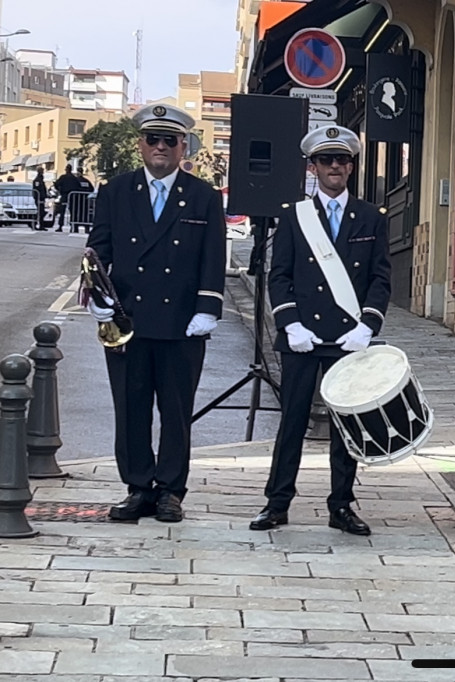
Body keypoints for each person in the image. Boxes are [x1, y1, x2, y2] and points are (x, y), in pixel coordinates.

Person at [85, 103, 226, 523]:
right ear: (140, 145)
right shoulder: (116, 191)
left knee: (176, 411)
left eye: (170, 140)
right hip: (129, 321)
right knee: (130, 409)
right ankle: (137, 487)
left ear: (184, 146)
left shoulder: (202, 196)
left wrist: (208, 308)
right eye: (153, 139)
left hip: (182, 322)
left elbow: (212, 257)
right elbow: (99, 249)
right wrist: (96, 296)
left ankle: (170, 490)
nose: (161, 147)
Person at [251, 125, 391, 536]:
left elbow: (381, 279)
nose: (335, 167)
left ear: (351, 166)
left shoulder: (370, 217)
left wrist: (367, 325)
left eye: (342, 160)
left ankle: (342, 505)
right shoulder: (294, 216)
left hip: (349, 337)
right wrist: (290, 324)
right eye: (327, 160)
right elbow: (280, 277)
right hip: (303, 337)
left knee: (347, 426)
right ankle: (277, 503)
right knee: (291, 422)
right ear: (312, 167)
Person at [52, 165, 79, 232]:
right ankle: (74, 227)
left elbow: (56, 184)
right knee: (73, 212)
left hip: (64, 195)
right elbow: (78, 186)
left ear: (66, 169)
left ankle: (60, 226)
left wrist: (59, 190)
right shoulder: (74, 178)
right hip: (73, 196)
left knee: (62, 212)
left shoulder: (63, 177)